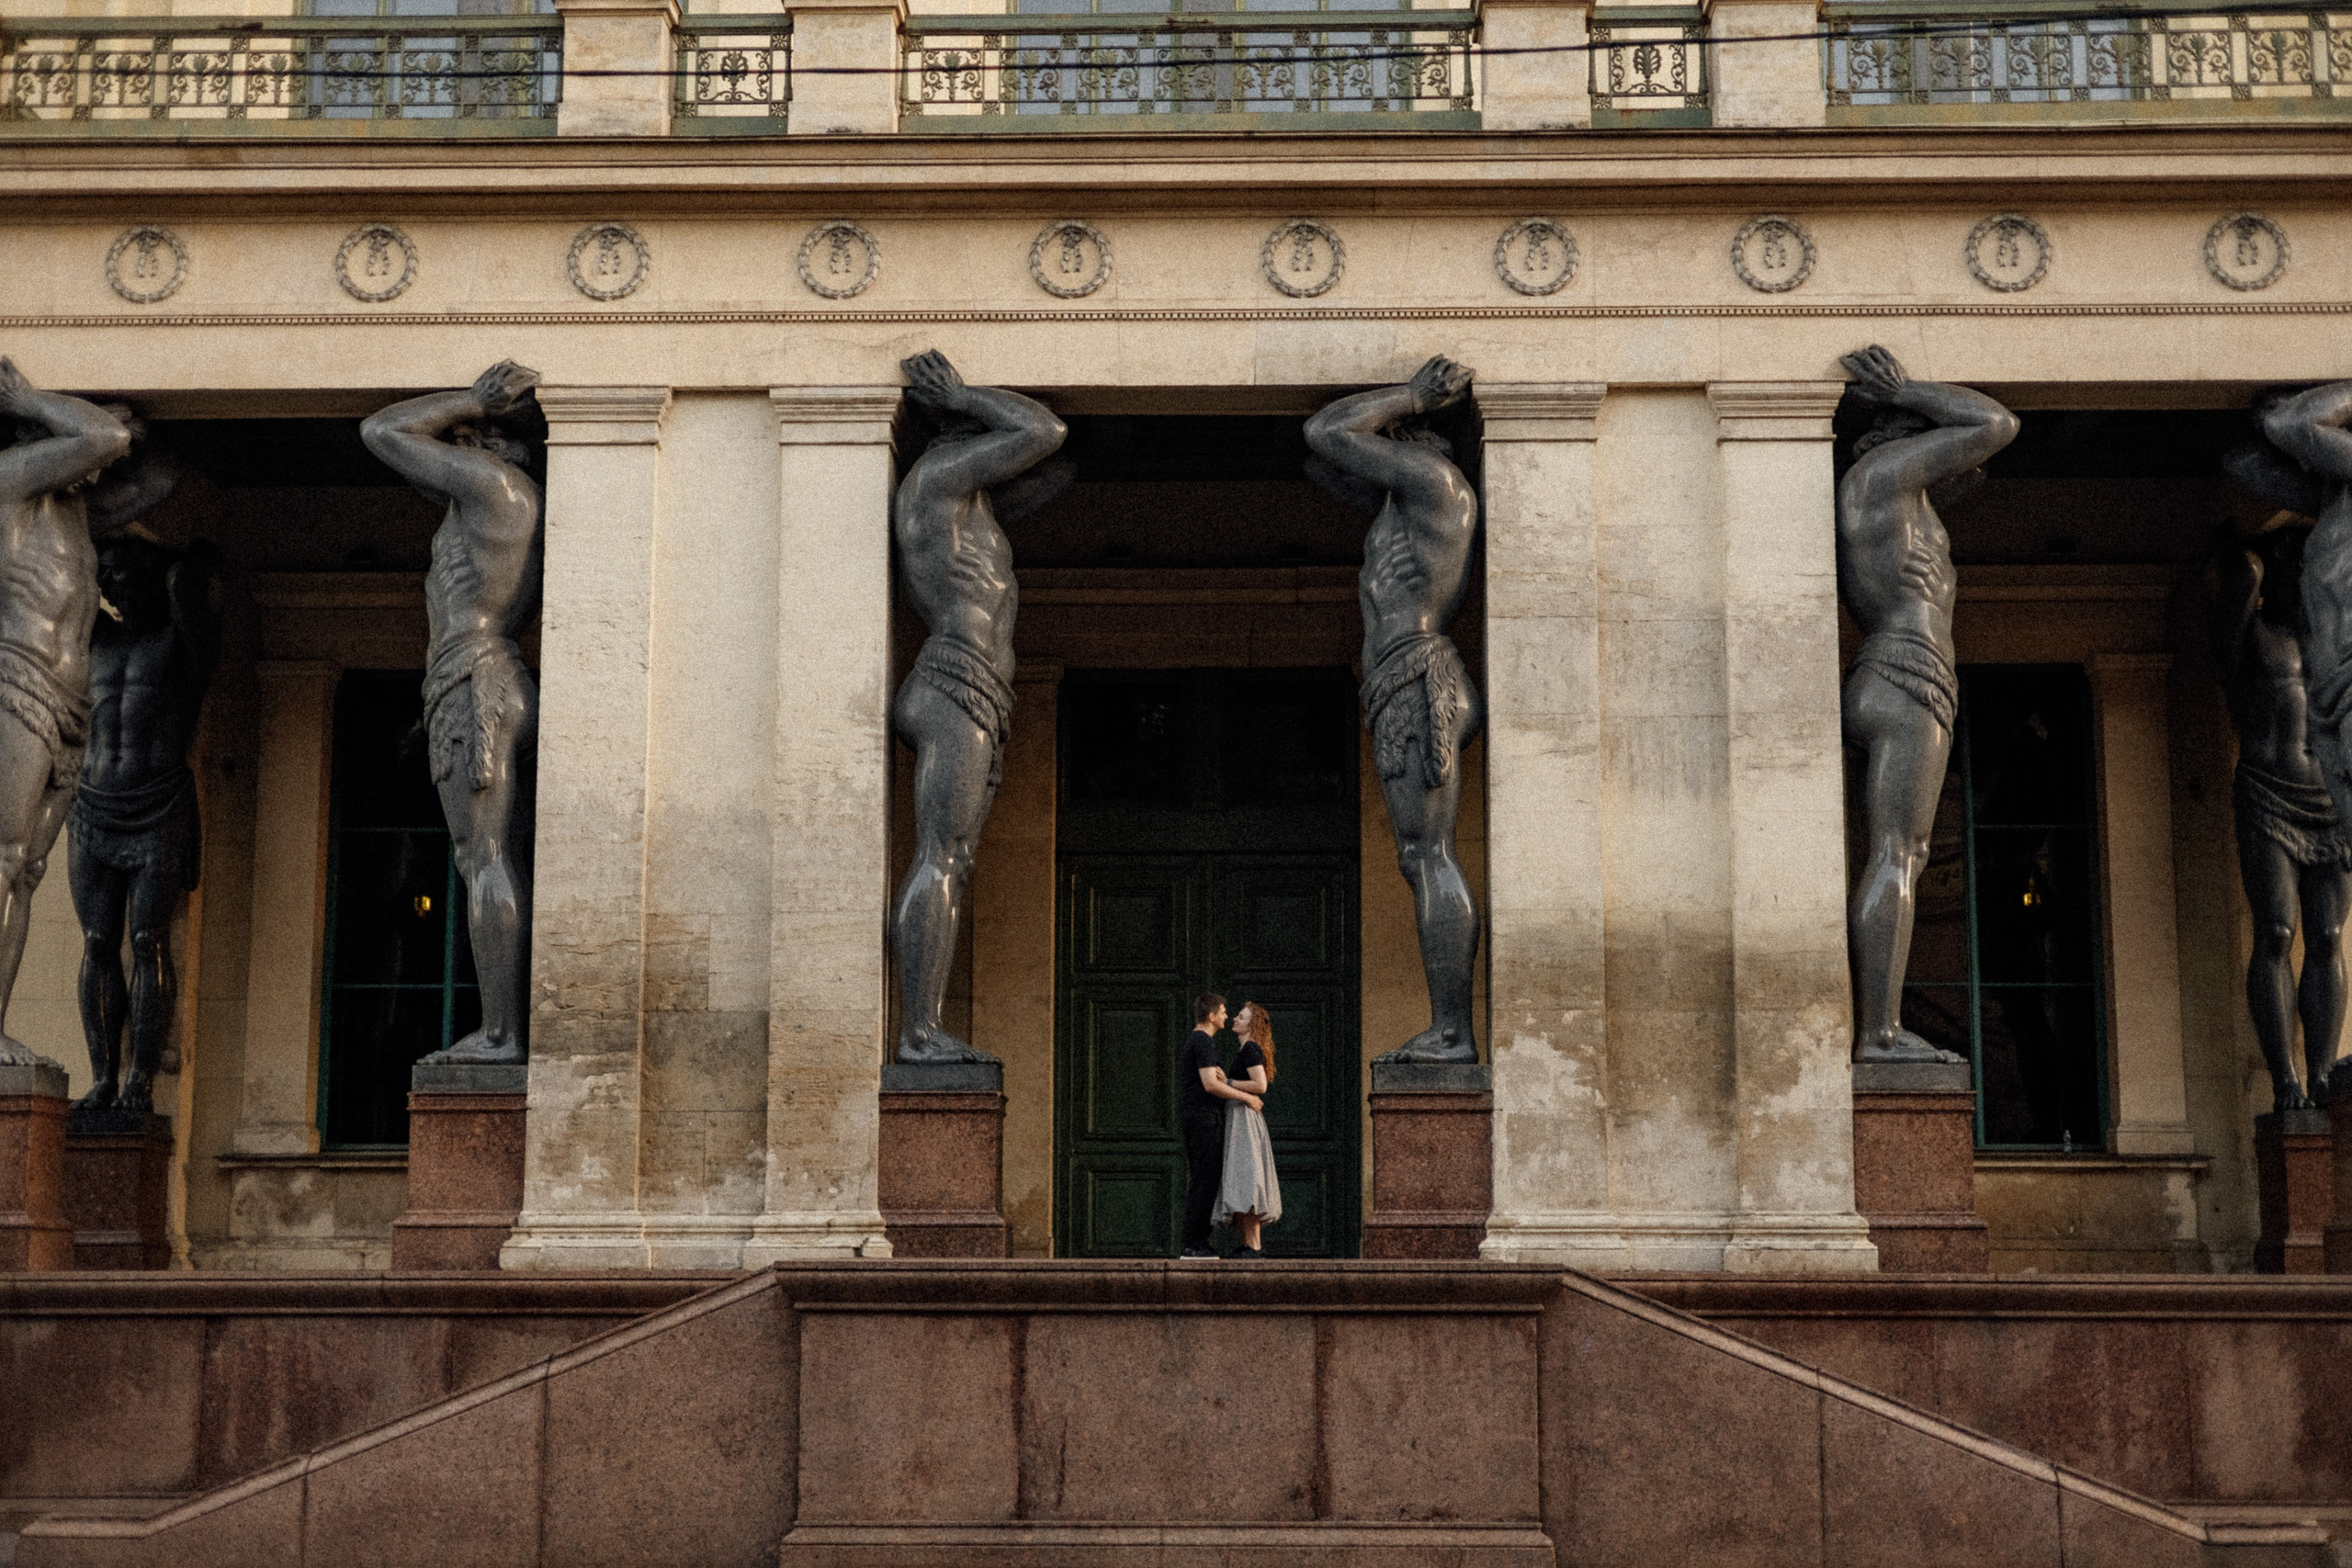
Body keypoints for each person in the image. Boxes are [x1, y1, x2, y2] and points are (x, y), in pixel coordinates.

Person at [1835, 344, 2019, 1063]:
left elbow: (1970, 471)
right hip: (1910, 671)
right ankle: (1880, 1029)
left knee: (1894, 851)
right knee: (1900, 852)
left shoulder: (1889, 496)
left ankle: (1880, 1023)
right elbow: (1994, 423)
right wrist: (1907, 387)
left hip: (1889, 668)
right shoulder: (1884, 475)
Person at [359, 360, 543, 1065]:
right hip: (495, 675)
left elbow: (383, 430)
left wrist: (470, 398)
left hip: (472, 675)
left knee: (482, 855)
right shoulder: (500, 499)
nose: (447, 443)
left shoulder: (493, 486)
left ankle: (501, 1033)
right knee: (497, 855)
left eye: (460, 436)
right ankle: (506, 1026)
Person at [889, 350, 1067, 1065]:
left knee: (954, 859)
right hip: (953, 680)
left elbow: (1058, 474)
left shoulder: (969, 505)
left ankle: (924, 1027)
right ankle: (918, 1032)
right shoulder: (936, 478)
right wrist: (967, 394)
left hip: (977, 689)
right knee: (942, 853)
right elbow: (1045, 432)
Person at [1304, 355, 1482, 1064]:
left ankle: (1453, 1030)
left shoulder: (1436, 483)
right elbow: (1331, 468)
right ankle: (1450, 1026)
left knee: (1426, 852)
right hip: (1397, 678)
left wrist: (1409, 393)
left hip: (1418, 673)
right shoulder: (1402, 505)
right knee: (1420, 854)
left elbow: (1327, 432)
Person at [0, 359, 132, 1072]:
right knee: (3, 858)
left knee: (24, 869)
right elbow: (104, 436)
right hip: (16, 685)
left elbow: (155, 476)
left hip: (67, 702)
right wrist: (34, 398)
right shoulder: (10, 482)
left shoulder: (73, 513)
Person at [2222, 419, 2352, 1110]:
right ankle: (2288, 1080)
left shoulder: (2332, 637)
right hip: (2268, 795)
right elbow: (2238, 458)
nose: (2302, 572)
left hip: (2328, 798)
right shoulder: (2252, 632)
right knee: (2275, 929)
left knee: (2328, 934)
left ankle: (2325, 1072)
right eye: (2290, 561)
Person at [71, 530, 220, 1117]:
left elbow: (188, 587)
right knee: (97, 940)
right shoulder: (93, 638)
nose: (115, 584)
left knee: (146, 939)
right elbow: (60, 579)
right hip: (92, 803)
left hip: (158, 802)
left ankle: (141, 1080)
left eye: (127, 571)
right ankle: (103, 1077)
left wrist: (185, 547)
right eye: (108, 574)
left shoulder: (183, 642)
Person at [1177, 990, 1259, 1258]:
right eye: (1223, 1012)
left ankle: (1197, 1241)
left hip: (1201, 1118)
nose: (1226, 1015)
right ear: (1211, 1016)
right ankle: (1193, 1244)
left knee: (1205, 1178)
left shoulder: (1200, 1042)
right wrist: (1247, 1097)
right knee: (1204, 1179)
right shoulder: (1203, 1041)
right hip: (1203, 1119)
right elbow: (1211, 1084)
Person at [1215, 1000, 1282, 1258]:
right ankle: (1247, 1244)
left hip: (1244, 1118)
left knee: (1248, 1179)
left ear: (1252, 1024)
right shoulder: (1246, 1050)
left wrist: (1228, 1082)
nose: (1234, 1019)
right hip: (1238, 1115)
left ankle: (1253, 1247)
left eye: (1241, 1017)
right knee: (1242, 1180)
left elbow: (1260, 1085)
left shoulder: (1251, 1049)